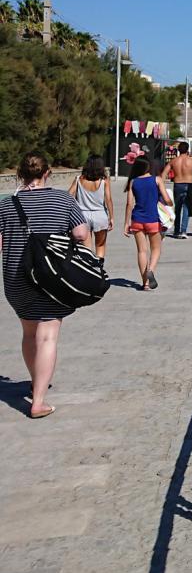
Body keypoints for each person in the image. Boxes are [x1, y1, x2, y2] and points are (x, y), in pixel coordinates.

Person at [0, 153, 93, 418]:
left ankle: (35, 379)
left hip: (16, 279)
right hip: (52, 278)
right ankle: (38, 400)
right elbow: (80, 233)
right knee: (48, 335)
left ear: (20, 174)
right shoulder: (63, 199)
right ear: (47, 173)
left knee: (29, 333)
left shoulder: (8, 205)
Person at [124, 158, 172, 290]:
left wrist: (126, 223)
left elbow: (129, 204)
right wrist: (170, 204)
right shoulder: (157, 180)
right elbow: (167, 199)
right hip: (153, 219)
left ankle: (145, 283)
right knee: (156, 249)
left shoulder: (133, 182)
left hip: (137, 220)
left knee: (141, 251)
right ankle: (151, 270)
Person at [69, 156, 113, 259]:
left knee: (86, 249)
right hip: (100, 215)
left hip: (83, 216)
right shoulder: (104, 180)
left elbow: (69, 194)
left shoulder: (79, 179)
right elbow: (109, 199)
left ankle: (88, 271)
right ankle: (99, 270)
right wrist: (111, 217)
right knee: (100, 246)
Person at [165, 141, 192, 239]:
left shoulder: (173, 161)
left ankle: (176, 231)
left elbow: (163, 174)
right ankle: (183, 231)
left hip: (177, 185)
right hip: (188, 184)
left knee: (177, 209)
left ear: (178, 150)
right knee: (186, 208)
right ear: (187, 149)